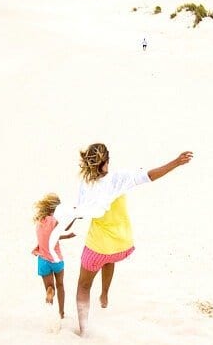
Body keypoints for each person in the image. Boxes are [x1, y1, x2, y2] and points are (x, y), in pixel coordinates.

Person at [74, 143, 193, 335]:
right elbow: (149, 176)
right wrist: (176, 162)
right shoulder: (119, 179)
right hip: (122, 245)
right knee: (109, 258)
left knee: (83, 285)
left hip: (98, 247)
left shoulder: (86, 185)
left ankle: (84, 330)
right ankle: (104, 295)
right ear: (106, 162)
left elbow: (80, 213)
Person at [32, 193, 76, 319]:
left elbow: (50, 236)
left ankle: (50, 298)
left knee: (50, 288)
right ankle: (61, 313)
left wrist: (66, 237)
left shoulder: (40, 220)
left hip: (43, 261)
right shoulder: (55, 220)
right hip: (56, 260)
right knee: (60, 284)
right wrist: (74, 217)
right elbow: (65, 227)